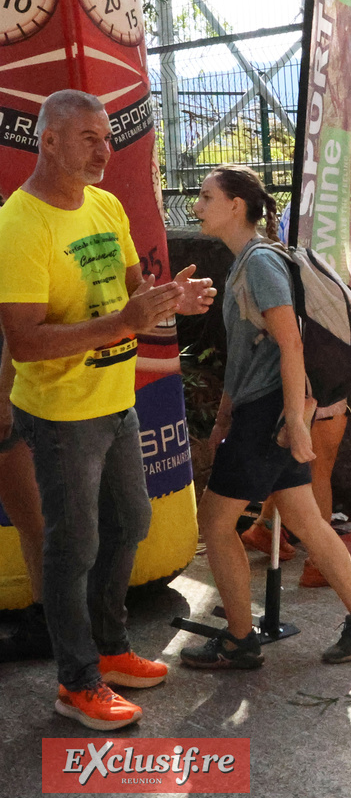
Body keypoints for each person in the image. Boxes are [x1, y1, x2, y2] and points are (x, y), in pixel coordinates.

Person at [0, 90, 215, 730]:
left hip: (116, 399)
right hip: (61, 411)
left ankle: (112, 648)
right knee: (74, 545)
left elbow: (131, 295)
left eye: (107, 135)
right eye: (89, 137)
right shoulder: (20, 225)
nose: (105, 148)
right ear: (50, 142)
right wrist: (123, 321)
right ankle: (77, 681)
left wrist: (171, 298)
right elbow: (26, 342)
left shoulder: (106, 204)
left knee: (129, 522)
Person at [180, 165, 351, 670]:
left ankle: (237, 639)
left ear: (236, 206)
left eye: (207, 196)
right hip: (265, 409)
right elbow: (250, 354)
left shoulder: (258, 264)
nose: (197, 205)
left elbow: (291, 341)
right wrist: (226, 416)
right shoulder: (245, 263)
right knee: (302, 517)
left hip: (271, 412)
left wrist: (294, 419)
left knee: (214, 520)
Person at [238, 194, 351, 588]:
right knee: (318, 469)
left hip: (297, 375)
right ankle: (322, 563)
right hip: (318, 376)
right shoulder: (317, 225)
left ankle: (265, 527)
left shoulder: (284, 238)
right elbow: (343, 299)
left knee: (293, 467)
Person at [0, 335, 51, 662]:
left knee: (33, 521)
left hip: (11, 396)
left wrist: (4, 397)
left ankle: (46, 623)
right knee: (34, 522)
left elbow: (14, 326)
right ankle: (46, 622)